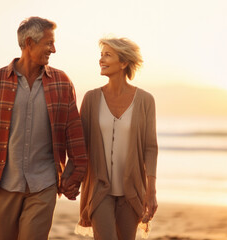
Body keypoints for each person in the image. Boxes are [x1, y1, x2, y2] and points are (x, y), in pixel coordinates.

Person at [0, 16, 87, 240]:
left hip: (44, 184)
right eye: (49, 43)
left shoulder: (62, 83)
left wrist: (74, 176)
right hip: (4, 183)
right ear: (29, 43)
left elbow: (74, 135)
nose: (54, 49)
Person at [75, 37, 158, 240]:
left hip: (133, 190)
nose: (101, 59)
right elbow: (80, 145)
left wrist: (151, 190)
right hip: (98, 188)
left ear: (123, 63)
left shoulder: (145, 100)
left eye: (107, 55)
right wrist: (70, 177)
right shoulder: (91, 99)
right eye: (101, 54)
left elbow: (150, 147)